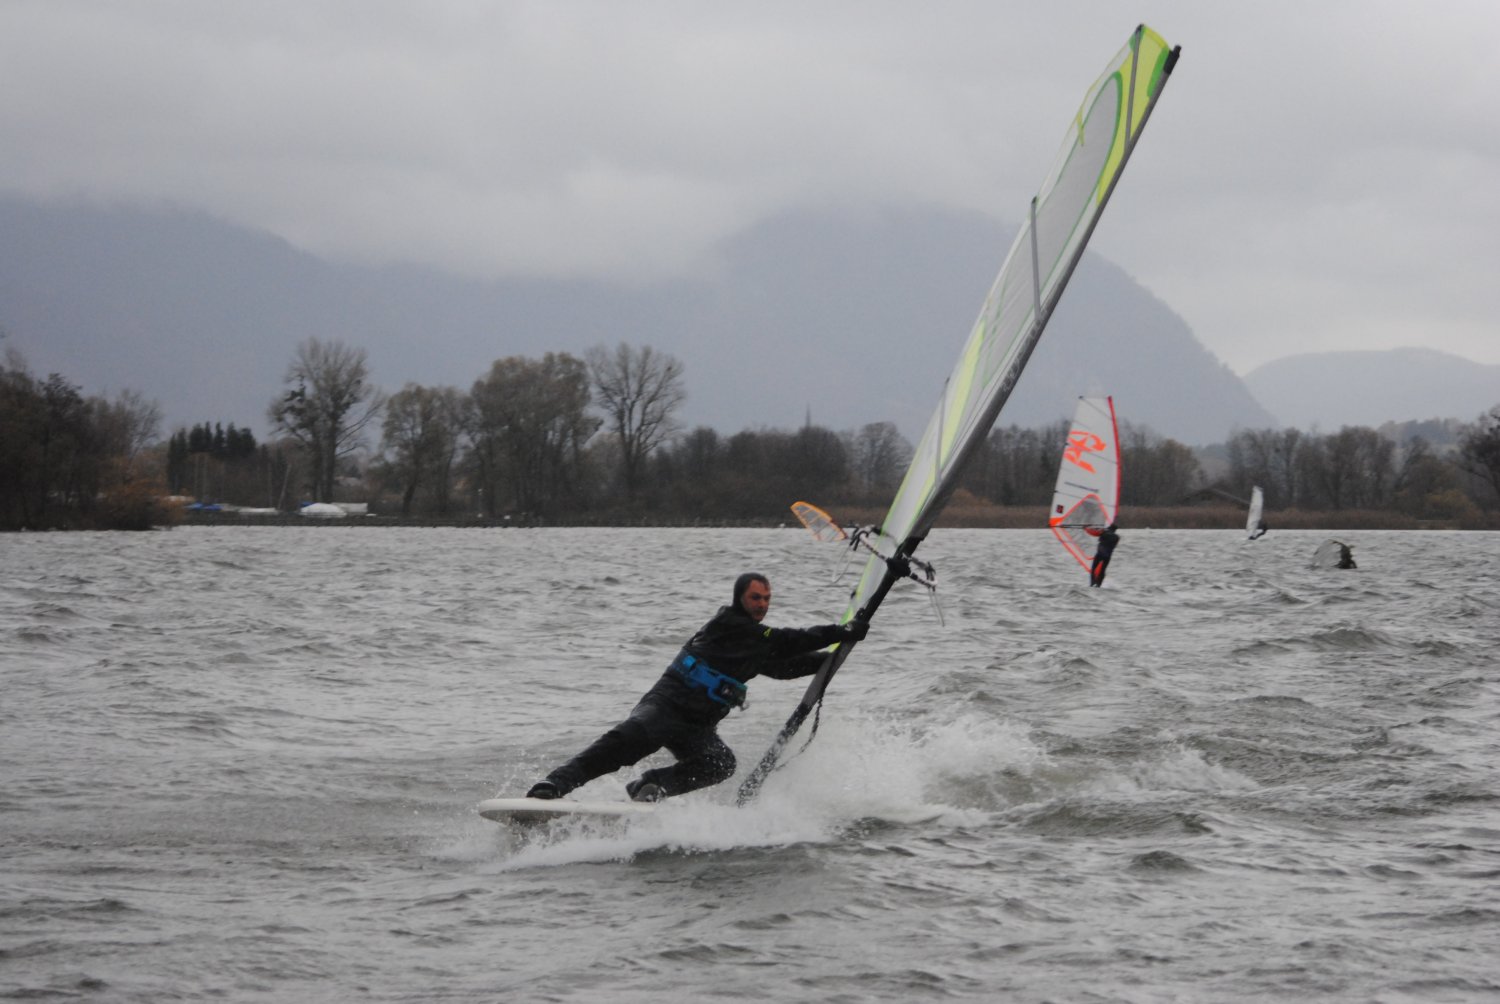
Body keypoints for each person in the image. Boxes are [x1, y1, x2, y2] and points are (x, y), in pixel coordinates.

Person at [525, 572, 867, 803]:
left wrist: (830, 659)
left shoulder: (755, 645)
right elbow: (787, 640)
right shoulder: (730, 624)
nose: (762, 604)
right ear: (740, 599)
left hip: (698, 725)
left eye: (766, 598)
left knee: (719, 764)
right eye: (755, 598)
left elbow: (785, 666)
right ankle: (554, 784)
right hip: (667, 706)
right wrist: (841, 631)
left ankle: (651, 785)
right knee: (623, 744)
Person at [1086, 522, 1120, 586]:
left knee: (1093, 568)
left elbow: (1094, 533)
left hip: (1100, 554)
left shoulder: (1104, 532)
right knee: (1103, 570)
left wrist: (1086, 529)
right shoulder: (1117, 537)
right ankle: (1099, 584)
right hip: (1108, 556)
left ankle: (1092, 583)